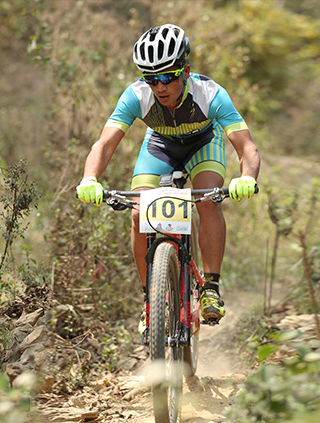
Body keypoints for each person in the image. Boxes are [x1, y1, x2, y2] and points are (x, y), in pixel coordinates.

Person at [75, 24, 261, 336]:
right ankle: (152, 300)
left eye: (167, 77)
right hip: (160, 146)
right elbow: (104, 144)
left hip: (204, 143)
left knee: (209, 202)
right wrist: (89, 178)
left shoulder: (211, 94)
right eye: (151, 78)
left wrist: (246, 177)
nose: (160, 86)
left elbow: (246, 147)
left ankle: (211, 288)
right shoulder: (136, 95)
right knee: (139, 214)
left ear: (185, 71)